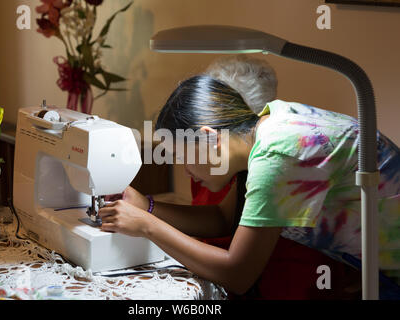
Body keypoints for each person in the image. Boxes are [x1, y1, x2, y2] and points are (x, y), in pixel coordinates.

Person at [99, 56, 400, 299]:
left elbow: (238, 274)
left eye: (182, 157)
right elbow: (222, 217)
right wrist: (146, 206)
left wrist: (148, 226)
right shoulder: (269, 125)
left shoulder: (278, 155)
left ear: (208, 139)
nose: (184, 169)